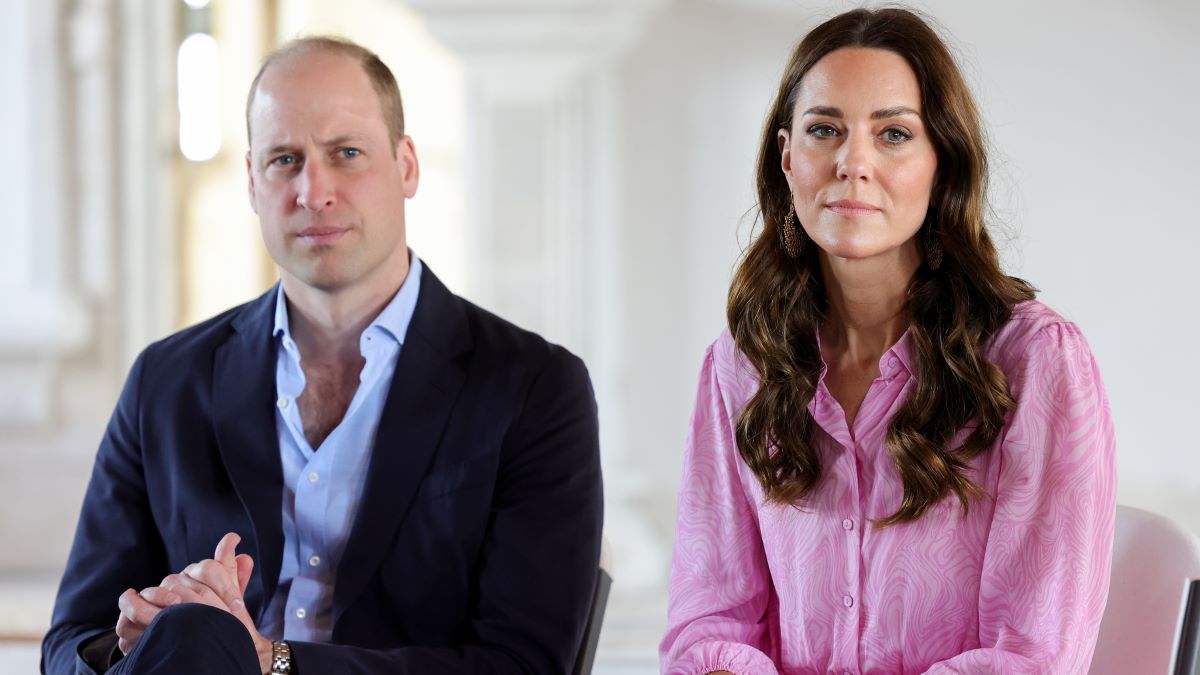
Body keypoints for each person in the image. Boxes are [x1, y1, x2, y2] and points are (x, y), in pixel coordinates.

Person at [42, 36, 603, 675]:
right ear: (253, 182)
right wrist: (137, 635)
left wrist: (271, 661)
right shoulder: (166, 381)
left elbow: (524, 665)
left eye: (347, 153)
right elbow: (69, 644)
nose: (314, 190)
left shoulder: (533, 386)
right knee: (190, 637)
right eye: (285, 159)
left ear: (407, 165)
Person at [659, 8, 1115, 674]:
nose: (853, 163)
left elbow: (1031, 655)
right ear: (787, 158)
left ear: (942, 164)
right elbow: (707, 627)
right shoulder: (740, 367)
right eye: (825, 130)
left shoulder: (1038, 362)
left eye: (893, 133)